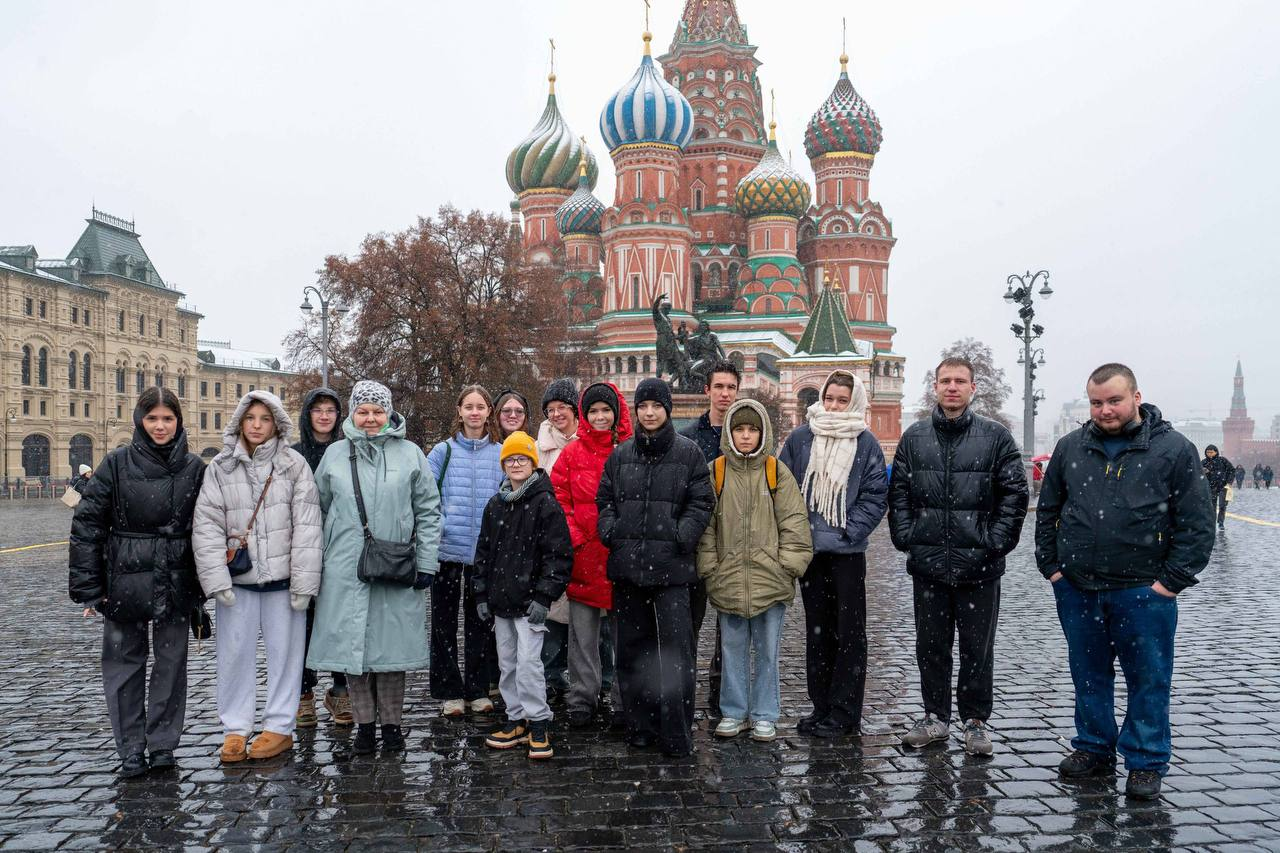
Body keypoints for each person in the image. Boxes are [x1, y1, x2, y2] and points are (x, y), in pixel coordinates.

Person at [1036, 363, 1213, 800]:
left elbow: (1197, 523)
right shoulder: (1071, 446)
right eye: (1096, 402)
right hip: (1079, 588)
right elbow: (1048, 510)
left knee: (1148, 678)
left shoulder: (1173, 449)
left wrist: (1169, 583)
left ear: (1136, 397)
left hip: (1143, 590)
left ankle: (1146, 761)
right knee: (1088, 675)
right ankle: (1094, 746)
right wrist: (1053, 569)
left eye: (1114, 400)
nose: (1105, 410)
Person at [889, 357, 1028, 756]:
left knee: (976, 648)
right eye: (945, 380)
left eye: (960, 381)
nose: (952, 387)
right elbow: (899, 493)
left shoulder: (995, 436)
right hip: (928, 564)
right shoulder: (914, 437)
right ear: (935, 387)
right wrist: (907, 538)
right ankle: (935, 716)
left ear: (972, 388)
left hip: (979, 567)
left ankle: (975, 721)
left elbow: (1015, 493)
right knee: (930, 646)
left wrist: (994, 542)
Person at [69, 387, 206, 778]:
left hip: (176, 576)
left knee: (171, 664)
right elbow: (87, 526)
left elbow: (208, 527)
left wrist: (203, 585)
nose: (160, 426)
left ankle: (162, 744)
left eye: (167, 418)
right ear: (139, 421)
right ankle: (130, 747)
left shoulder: (195, 467)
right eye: (152, 418)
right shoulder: (116, 463)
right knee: (124, 665)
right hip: (123, 577)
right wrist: (90, 588)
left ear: (178, 421)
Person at [307, 381, 441, 755]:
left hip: (396, 568)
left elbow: (429, 511)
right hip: (345, 568)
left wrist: (426, 562)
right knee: (355, 654)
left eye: (378, 411)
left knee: (391, 654)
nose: (370, 418)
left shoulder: (411, 454)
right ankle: (365, 727)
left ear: (389, 413)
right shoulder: (335, 455)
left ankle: (393, 728)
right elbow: (316, 511)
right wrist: (315, 563)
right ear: (352, 413)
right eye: (363, 411)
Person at [193, 391, 323, 763]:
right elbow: (207, 525)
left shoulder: (294, 464)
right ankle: (235, 728)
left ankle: (279, 726)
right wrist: (216, 580)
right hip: (239, 581)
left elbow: (308, 526)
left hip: (283, 582)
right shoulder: (220, 467)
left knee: (286, 658)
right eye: (251, 418)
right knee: (234, 657)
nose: (256, 425)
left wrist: (304, 582)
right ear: (240, 421)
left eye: (265, 419)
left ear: (276, 423)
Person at [597, 378, 714, 756]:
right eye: (643, 406)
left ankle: (676, 732)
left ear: (667, 409)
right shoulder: (621, 455)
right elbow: (605, 500)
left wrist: (681, 536)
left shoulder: (688, 453)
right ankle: (641, 727)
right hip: (628, 569)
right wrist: (612, 532)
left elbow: (702, 502)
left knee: (676, 654)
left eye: (656, 406)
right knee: (633, 652)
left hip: (672, 572)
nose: (649, 413)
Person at [779, 370, 887, 738]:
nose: (834, 406)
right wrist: (799, 534)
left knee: (849, 635)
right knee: (818, 633)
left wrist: (848, 531)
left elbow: (875, 495)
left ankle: (845, 712)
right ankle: (821, 706)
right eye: (829, 398)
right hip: (811, 553)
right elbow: (784, 488)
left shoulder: (865, 442)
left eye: (842, 400)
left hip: (847, 555)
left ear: (853, 402)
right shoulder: (801, 437)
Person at [697, 399, 811, 742]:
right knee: (731, 652)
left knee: (767, 653)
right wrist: (710, 568)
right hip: (728, 579)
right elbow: (705, 527)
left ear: (763, 433)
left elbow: (794, 522)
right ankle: (733, 712)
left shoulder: (776, 471)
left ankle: (764, 713)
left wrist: (787, 567)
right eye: (739, 429)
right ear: (729, 433)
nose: (746, 436)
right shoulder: (716, 471)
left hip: (770, 581)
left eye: (752, 429)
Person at [474, 431, 573, 760]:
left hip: (531, 603)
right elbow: (483, 554)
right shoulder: (495, 505)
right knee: (508, 664)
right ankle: (515, 717)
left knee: (530, 664)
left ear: (533, 462)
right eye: (510, 459)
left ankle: (538, 720)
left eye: (522, 459)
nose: (516, 464)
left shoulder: (546, 504)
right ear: (504, 465)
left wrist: (544, 597)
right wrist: (481, 594)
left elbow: (558, 556)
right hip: (501, 602)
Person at [551, 382, 633, 727]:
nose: (600, 417)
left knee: (625, 637)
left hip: (620, 556)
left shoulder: (629, 450)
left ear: (616, 413)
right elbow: (559, 498)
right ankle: (583, 697)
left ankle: (624, 699)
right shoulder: (572, 453)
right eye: (594, 411)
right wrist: (577, 539)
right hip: (585, 557)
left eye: (606, 410)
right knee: (582, 637)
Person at [428, 385, 503, 717]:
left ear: (488, 412)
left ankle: (477, 688)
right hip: (447, 551)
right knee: (443, 625)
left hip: (483, 554)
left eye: (480, 407)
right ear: (459, 411)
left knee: (480, 623)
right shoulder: (442, 452)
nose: (474, 412)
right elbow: (426, 497)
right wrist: (441, 524)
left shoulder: (500, 453)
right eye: (469, 406)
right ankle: (449, 691)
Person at [679, 359, 740, 719]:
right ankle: (683, 691)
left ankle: (722, 694)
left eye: (731, 387)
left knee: (730, 627)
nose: (724, 394)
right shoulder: (689, 437)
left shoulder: (747, 435)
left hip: (734, 544)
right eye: (719, 387)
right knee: (689, 623)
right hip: (698, 543)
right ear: (707, 390)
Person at [291, 387, 352, 727]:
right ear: (308, 415)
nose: (325, 416)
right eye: (318, 410)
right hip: (301, 548)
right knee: (303, 623)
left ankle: (340, 689)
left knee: (338, 620)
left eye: (331, 410)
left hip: (338, 547)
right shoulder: (294, 455)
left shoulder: (347, 452)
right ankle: (304, 694)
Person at [536, 378, 579, 701]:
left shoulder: (589, 441)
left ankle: (595, 677)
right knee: (554, 608)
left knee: (592, 611)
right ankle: (551, 674)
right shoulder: (540, 448)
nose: (556, 414)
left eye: (562, 407)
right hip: (551, 538)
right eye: (550, 409)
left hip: (586, 536)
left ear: (575, 409)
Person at [1200, 445, 1234, 529]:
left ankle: (1221, 522)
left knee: (1222, 506)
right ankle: (1212, 523)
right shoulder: (1203, 462)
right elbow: (1198, 473)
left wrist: (1229, 482)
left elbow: (1232, 470)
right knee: (1212, 507)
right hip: (1210, 487)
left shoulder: (1222, 460)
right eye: (1208, 452)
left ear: (1216, 452)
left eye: (1211, 452)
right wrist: (1204, 472)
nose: (1209, 454)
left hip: (1223, 486)